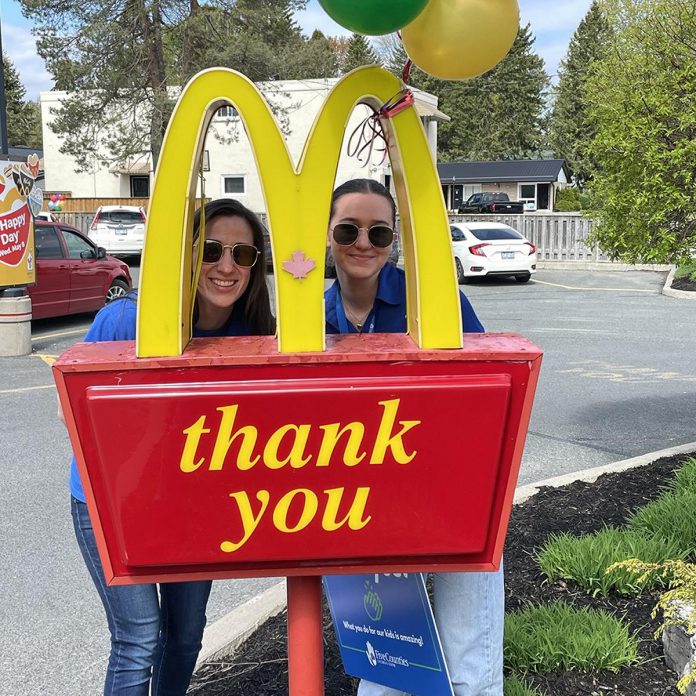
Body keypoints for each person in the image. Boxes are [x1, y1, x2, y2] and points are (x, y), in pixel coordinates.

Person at [66, 198, 274, 695]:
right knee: (139, 639)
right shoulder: (123, 320)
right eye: (212, 249)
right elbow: (70, 415)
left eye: (242, 255)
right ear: (186, 253)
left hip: (195, 506)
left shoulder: (256, 335)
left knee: (185, 637)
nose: (226, 266)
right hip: (113, 503)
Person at [325, 179, 504, 696]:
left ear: (394, 238)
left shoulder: (438, 301)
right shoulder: (310, 317)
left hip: (452, 496)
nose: (363, 242)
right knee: (386, 664)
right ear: (328, 233)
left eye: (378, 231)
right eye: (348, 228)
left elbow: (484, 394)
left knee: (469, 660)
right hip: (364, 508)